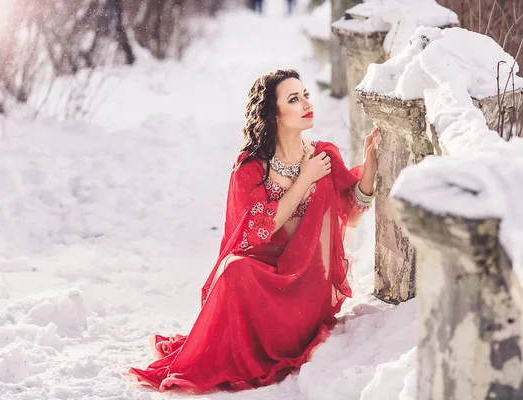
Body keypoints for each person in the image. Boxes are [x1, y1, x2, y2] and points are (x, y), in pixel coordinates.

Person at [127, 69, 378, 393]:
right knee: (233, 270)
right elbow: (261, 228)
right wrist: (304, 179)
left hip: (306, 289)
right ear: (274, 114)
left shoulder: (323, 155)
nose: (305, 103)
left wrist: (369, 167)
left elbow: (352, 215)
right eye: (293, 99)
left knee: (240, 273)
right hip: (262, 285)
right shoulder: (251, 168)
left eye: (305, 95)